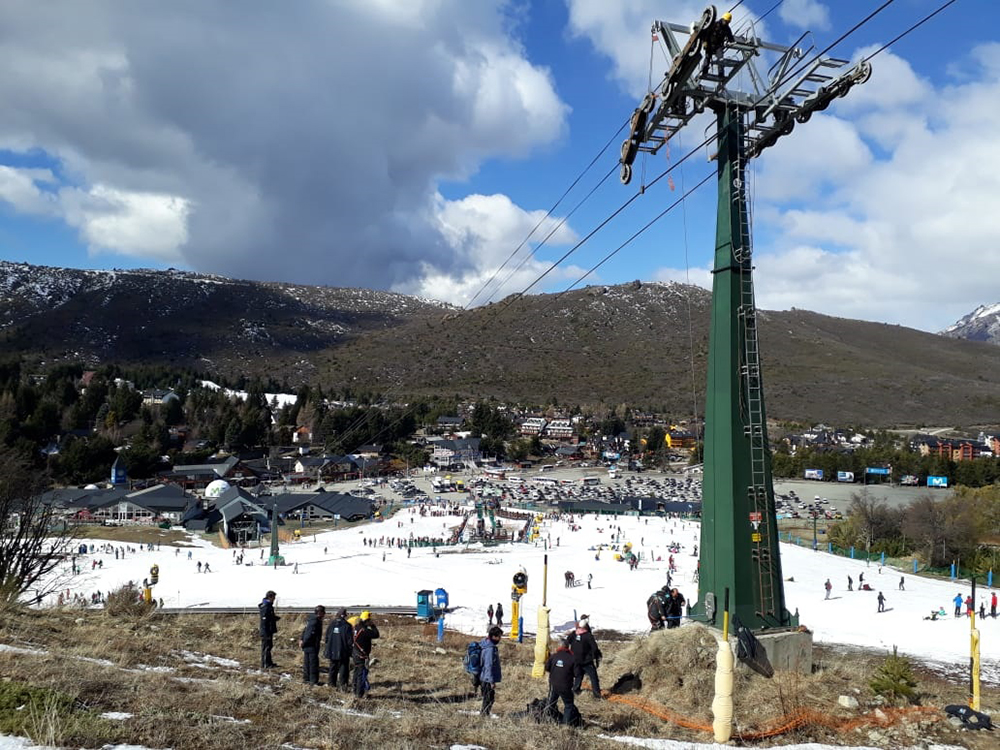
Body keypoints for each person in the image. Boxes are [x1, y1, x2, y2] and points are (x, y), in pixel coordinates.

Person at [545, 639, 579, 725]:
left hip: (553, 684)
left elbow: (547, 668)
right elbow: (577, 673)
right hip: (566, 685)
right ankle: (565, 724)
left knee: (551, 702)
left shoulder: (553, 656)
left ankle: (547, 719)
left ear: (559, 646)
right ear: (568, 647)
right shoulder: (573, 658)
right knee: (568, 705)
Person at [567, 617, 602, 699]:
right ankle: (597, 694)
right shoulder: (588, 636)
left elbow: (567, 641)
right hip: (586, 661)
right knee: (593, 677)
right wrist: (595, 657)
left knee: (578, 675)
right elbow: (594, 648)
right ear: (586, 626)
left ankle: (575, 690)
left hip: (575, 660)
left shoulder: (574, 634)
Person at [352, 611, 380, 698]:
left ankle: (355, 690)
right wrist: (373, 626)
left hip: (355, 653)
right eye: (369, 620)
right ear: (366, 621)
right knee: (361, 674)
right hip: (362, 655)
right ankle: (359, 693)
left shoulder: (356, 628)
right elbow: (376, 634)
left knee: (356, 672)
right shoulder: (365, 631)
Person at [324, 608, 353, 691]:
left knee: (332, 667)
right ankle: (343, 686)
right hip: (343, 651)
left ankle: (331, 684)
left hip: (332, 650)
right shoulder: (347, 626)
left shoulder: (331, 624)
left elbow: (327, 638)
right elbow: (349, 641)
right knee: (343, 668)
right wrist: (350, 651)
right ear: (344, 616)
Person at [477, 626, 503, 716]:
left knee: (487, 698)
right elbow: (488, 665)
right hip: (486, 678)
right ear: (493, 636)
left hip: (483, 676)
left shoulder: (485, 644)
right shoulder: (490, 649)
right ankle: (484, 715)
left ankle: (484, 714)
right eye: (499, 636)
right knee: (489, 698)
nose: (500, 639)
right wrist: (491, 681)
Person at [700, 11, 734, 77]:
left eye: (728, 22)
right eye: (726, 21)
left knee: (720, 59)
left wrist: (732, 42)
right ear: (723, 19)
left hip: (718, 46)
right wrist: (704, 42)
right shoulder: (714, 25)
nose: (727, 23)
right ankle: (704, 71)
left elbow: (730, 36)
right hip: (710, 44)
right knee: (707, 57)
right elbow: (706, 34)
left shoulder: (727, 28)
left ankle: (721, 74)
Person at [300, 605, 326, 685]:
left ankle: (306, 679)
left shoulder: (311, 619)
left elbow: (305, 630)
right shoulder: (315, 621)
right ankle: (313, 680)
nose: (324, 614)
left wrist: (302, 639)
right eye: (323, 612)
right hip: (311, 645)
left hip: (308, 644)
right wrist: (304, 642)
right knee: (313, 663)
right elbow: (310, 633)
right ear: (320, 613)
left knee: (307, 662)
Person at [258, 590, 280, 669]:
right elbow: (265, 620)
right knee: (266, 647)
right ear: (270, 597)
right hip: (266, 631)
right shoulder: (266, 606)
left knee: (269, 646)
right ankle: (265, 664)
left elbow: (269, 617)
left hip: (269, 630)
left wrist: (274, 618)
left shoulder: (269, 606)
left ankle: (269, 662)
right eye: (273, 598)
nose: (274, 600)